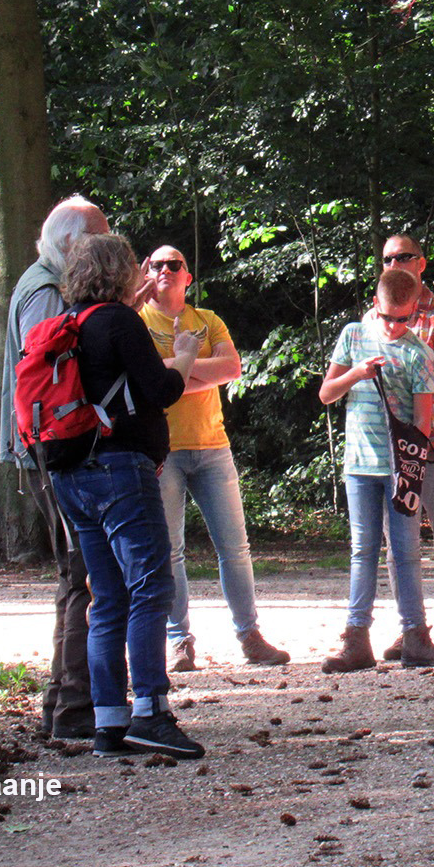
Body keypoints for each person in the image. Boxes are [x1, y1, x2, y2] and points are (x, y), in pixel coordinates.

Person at [48, 233, 205, 759]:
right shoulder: (120, 323)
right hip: (121, 472)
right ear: (121, 273)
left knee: (108, 598)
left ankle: (109, 723)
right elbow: (160, 392)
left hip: (73, 475)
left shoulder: (74, 322)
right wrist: (182, 356)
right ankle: (151, 713)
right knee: (151, 588)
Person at [138, 245, 290, 672]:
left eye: (175, 264)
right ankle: (179, 641)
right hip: (161, 450)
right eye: (157, 265)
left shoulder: (208, 320)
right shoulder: (136, 321)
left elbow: (233, 369)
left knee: (235, 548)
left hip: (212, 447)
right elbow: (147, 380)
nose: (165, 270)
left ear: (188, 276)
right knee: (169, 551)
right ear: (146, 274)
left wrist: (175, 371)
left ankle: (250, 636)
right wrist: (197, 367)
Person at [0, 194, 107, 740]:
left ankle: (68, 701)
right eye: (96, 242)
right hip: (53, 452)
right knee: (79, 572)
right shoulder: (43, 292)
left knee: (79, 570)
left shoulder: (45, 283)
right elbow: (53, 377)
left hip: (50, 450)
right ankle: (71, 706)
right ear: (71, 245)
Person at [319, 267, 434, 671]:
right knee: (362, 550)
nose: (396, 327)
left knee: (406, 552)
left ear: (415, 310)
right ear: (375, 305)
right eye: (388, 318)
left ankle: (416, 636)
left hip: (400, 470)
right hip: (360, 466)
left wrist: (410, 473)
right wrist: (355, 373)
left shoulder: (419, 354)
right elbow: (327, 393)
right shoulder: (353, 336)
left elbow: (422, 425)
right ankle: (355, 639)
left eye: (405, 319)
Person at [368, 235, 434, 661]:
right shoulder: (373, 313)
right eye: (388, 257)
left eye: (404, 256)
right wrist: (418, 368)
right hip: (388, 447)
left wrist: (399, 371)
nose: (396, 262)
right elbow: (365, 369)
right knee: (399, 544)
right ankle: (412, 628)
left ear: (422, 263)